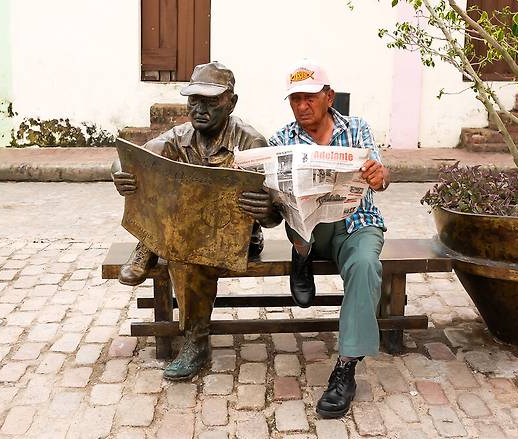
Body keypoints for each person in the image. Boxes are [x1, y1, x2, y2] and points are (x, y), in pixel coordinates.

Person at [112, 61, 281, 380]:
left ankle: (196, 342)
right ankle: (194, 337)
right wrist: (121, 176)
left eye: (211, 101)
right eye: (194, 100)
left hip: (239, 241)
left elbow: (275, 217)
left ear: (231, 102)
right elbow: (130, 160)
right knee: (183, 242)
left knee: (184, 249)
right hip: (187, 237)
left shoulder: (251, 143)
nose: (200, 109)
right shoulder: (178, 137)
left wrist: (266, 208)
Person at [242, 59, 390, 419]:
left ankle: (346, 368)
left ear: (329, 97)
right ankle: (302, 255)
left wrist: (378, 175)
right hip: (306, 228)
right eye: (295, 100)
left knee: (366, 265)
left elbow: (382, 182)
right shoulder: (281, 140)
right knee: (302, 226)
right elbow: (275, 214)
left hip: (357, 223)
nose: (302, 107)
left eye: (309, 98)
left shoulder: (357, 129)